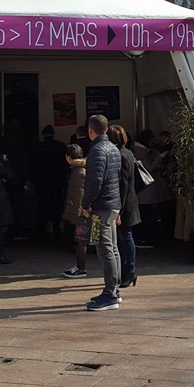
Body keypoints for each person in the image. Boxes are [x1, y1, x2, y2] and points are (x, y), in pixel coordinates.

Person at [82, 114, 122, 311]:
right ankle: (114, 290)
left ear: (91, 130)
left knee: (104, 249)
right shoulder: (113, 148)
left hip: (101, 207)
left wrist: (86, 203)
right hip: (112, 204)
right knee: (112, 249)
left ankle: (110, 294)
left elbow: (94, 181)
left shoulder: (97, 150)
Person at [108, 125, 142, 289]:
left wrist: (118, 210)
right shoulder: (127, 152)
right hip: (130, 201)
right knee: (124, 238)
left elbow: (123, 184)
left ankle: (130, 271)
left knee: (125, 237)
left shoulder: (121, 155)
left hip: (125, 204)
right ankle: (128, 271)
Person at [30, 125, 67, 238]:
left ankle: (42, 231)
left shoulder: (37, 147)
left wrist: (32, 179)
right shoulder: (60, 146)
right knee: (56, 205)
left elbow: (33, 165)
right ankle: (56, 230)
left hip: (41, 182)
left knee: (42, 206)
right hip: (56, 181)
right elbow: (64, 165)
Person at [61, 143, 89, 278]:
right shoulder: (82, 168)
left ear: (68, 157)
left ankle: (81, 268)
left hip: (82, 213)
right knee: (82, 240)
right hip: (85, 211)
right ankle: (79, 266)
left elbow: (79, 195)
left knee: (80, 240)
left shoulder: (78, 172)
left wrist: (76, 215)